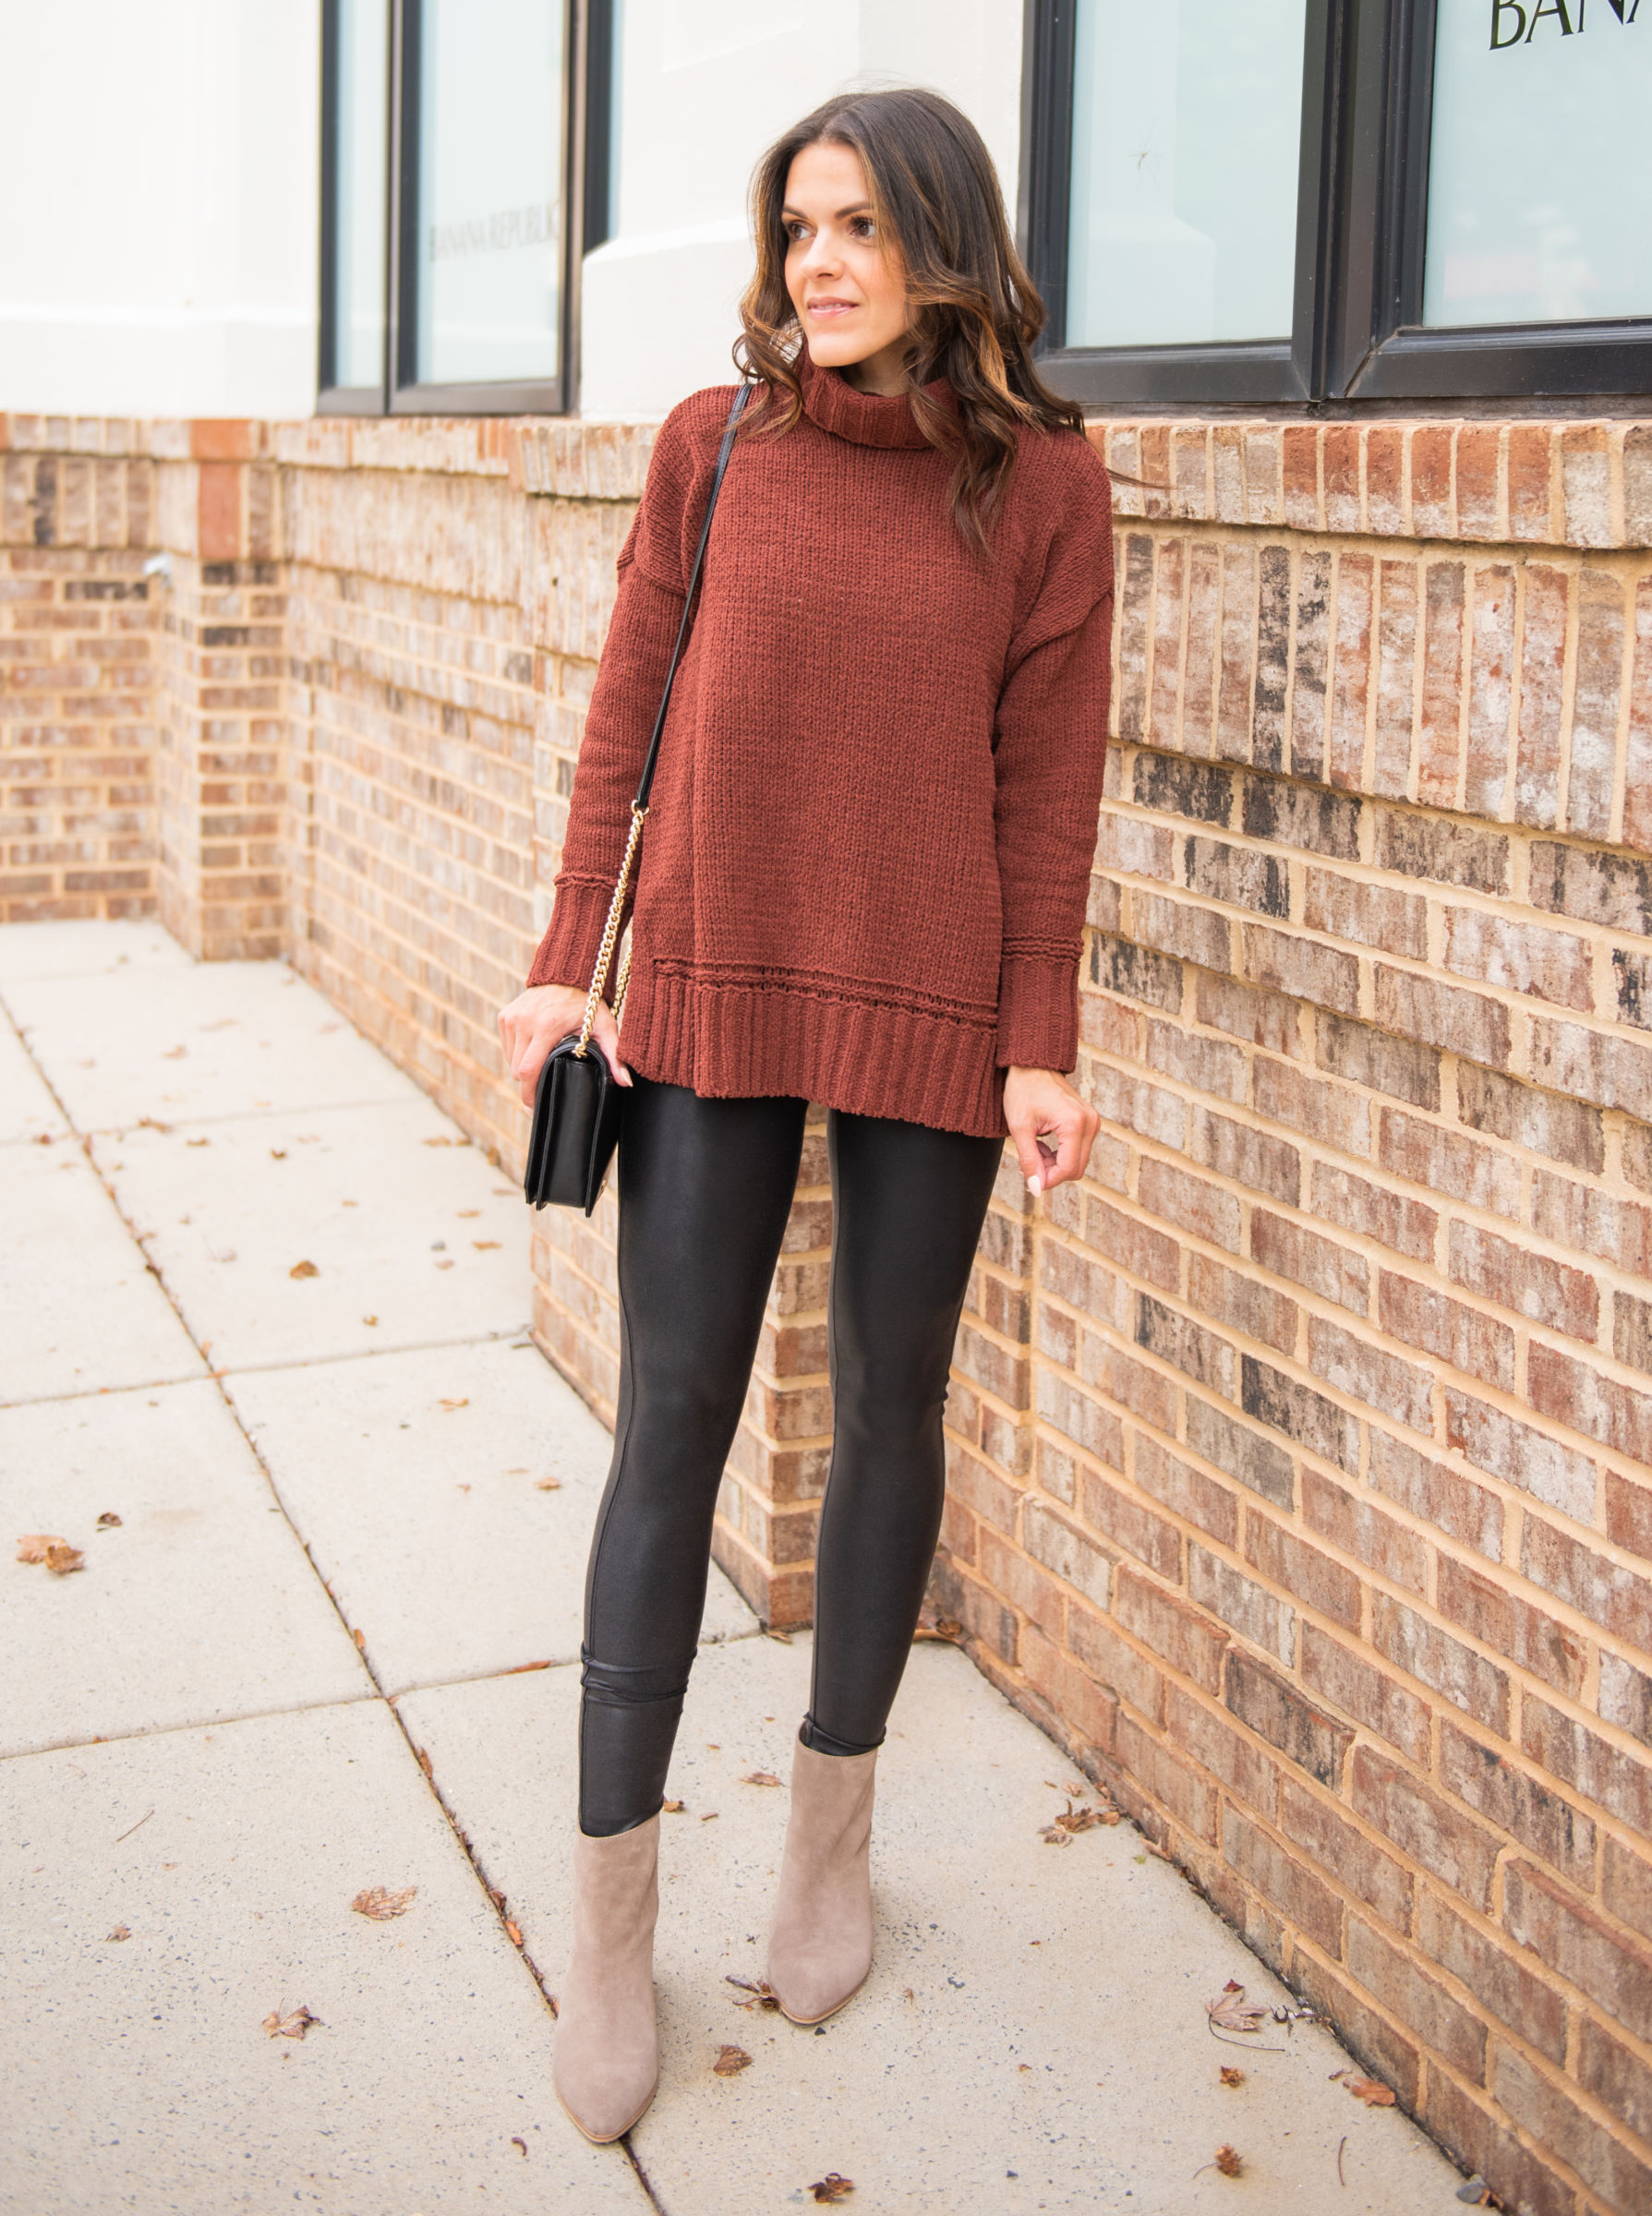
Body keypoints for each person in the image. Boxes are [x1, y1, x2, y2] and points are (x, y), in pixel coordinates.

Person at [498, 85, 1113, 2146]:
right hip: (711, 983)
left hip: (935, 1002)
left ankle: (829, 1848)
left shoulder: (1046, 489)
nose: (818, 264)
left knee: (889, 1408)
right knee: (673, 1423)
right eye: (797, 228)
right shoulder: (715, 449)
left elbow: (1049, 782)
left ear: (945, 243)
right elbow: (625, 718)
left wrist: (1041, 1039)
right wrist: (568, 952)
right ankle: (612, 1928)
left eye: (858, 225)